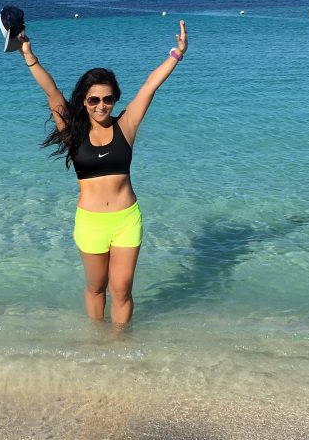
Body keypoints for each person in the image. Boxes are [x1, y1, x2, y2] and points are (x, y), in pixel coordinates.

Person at [16, 21, 188, 325]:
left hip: (126, 219)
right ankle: (96, 347)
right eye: (94, 99)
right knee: (96, 288)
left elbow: (149, 86)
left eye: (108, 99)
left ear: (115, 99)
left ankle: (119, 348)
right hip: (91, 222)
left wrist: (177, 53)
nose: (101, 105)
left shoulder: (126, 126)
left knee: (121, 289)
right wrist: (28, 54)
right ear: (84, 100)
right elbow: (52, 91)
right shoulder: (72, 132)